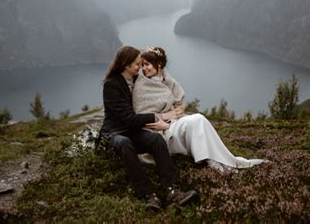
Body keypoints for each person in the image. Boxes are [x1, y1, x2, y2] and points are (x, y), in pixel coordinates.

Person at [133, 46, 268, 172]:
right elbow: (142, 115)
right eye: (142, 65)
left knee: (199, 119)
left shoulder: (167, 81)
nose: (144, 69)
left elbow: (177, 104)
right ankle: (212, 161)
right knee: (196, 120)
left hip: (170, 124)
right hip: (157, 133)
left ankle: (218, 160)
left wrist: (176, 112)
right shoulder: (141, 85)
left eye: (147, 64)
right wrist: (167, 119)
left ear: (159, 65)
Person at [99, 46, 198, 211]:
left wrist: (176, 108)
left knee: (156, 139)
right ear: (126, 65)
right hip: (114, 132)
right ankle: (148, 194)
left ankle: (173, 190)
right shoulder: (111, 85)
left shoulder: (137, 79)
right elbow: (129, 119)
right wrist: (155, 116)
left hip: (131, 130)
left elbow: (160, 78)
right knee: (124, 143)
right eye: (138, 64)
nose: (141, 67)